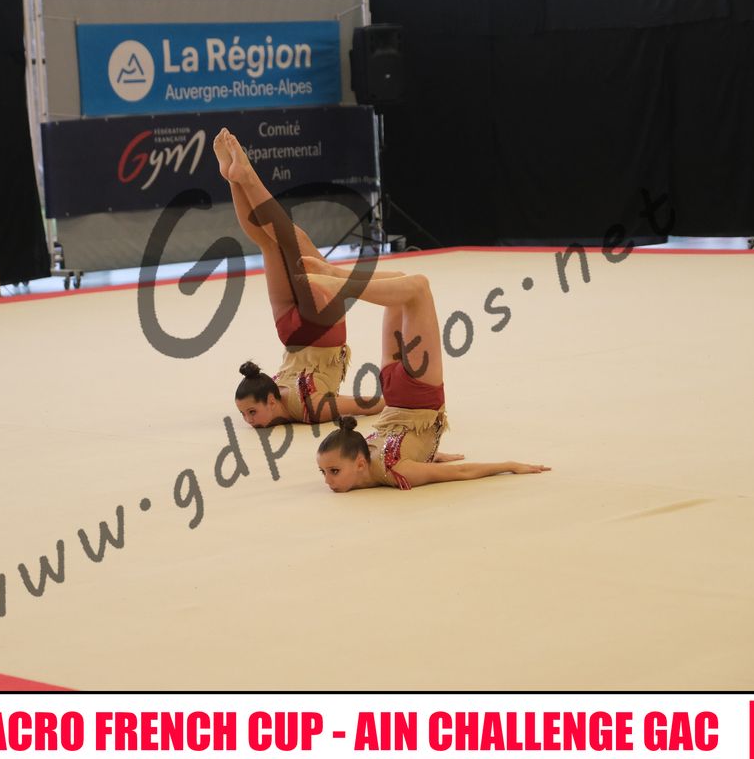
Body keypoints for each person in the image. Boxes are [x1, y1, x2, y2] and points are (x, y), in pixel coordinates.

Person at [303, 265, 551, 490]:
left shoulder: (398, 472)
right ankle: (338, 275)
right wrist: (429, 454)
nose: (328, 481)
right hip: (391, 388)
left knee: (418, 287)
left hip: (419, 394)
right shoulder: (364, 450)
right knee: (400, 283)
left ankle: (341, 284)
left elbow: (461, 472)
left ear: (360, 463)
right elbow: (444, 464)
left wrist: (509, 465)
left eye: (334, 471)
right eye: (325, 472)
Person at [217, 128, 384, 427]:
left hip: (321, 332)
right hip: (291, 333)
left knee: (290, 242)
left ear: (271, 400)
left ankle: (244, 176)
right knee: (273, 243)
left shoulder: (311, 410)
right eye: (246, 414)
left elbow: (370, 404)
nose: (248, 421)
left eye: (250, 412)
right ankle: (233, 179)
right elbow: (370, 404)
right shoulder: (277, 391)